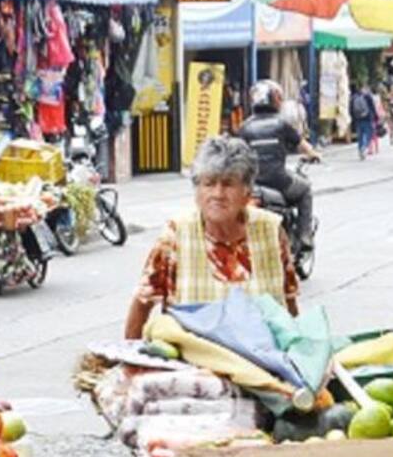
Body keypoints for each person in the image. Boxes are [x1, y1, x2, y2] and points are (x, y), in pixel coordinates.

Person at [125, 137, 299, 338]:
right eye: (209, 184)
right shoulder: (176, 235)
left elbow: (289, 304)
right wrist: (131, 361)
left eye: (228, 184)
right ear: (197, 192)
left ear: (247, 192)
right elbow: (142, 303)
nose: (218, 194)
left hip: (262, 363)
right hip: (195, 364)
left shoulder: (271, 231)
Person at [237, 80, 320, 252]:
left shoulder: (245, 127)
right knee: (305, 190)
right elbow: (302, 145)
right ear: (275, 99)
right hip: (279, 181)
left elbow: (237, 152)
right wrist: (313, 154)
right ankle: (304, 236)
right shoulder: (282, 124)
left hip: (253, 184)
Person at [349, 82, 378, 159]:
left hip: (358, 119)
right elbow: (372, 107)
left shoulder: (354, 97)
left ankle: (360, 149)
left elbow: (351, 109)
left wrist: (353, 118)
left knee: (360, 135)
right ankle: (364, 147)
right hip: (367, 118)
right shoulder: (368, 96)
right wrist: (376, 117)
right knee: (368, 133)